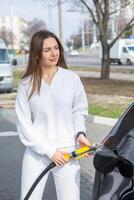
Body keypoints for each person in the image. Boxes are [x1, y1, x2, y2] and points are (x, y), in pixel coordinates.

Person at [15, 30, 91, 200]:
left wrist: (80, 134)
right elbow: (24, 124)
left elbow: (79, 111)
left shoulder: (72, 79)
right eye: (47, 49)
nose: (54, 53)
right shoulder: (26, 84)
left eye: (56, 47)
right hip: (37, 154)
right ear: (36, 54)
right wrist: (49, 151)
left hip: (68, 154)